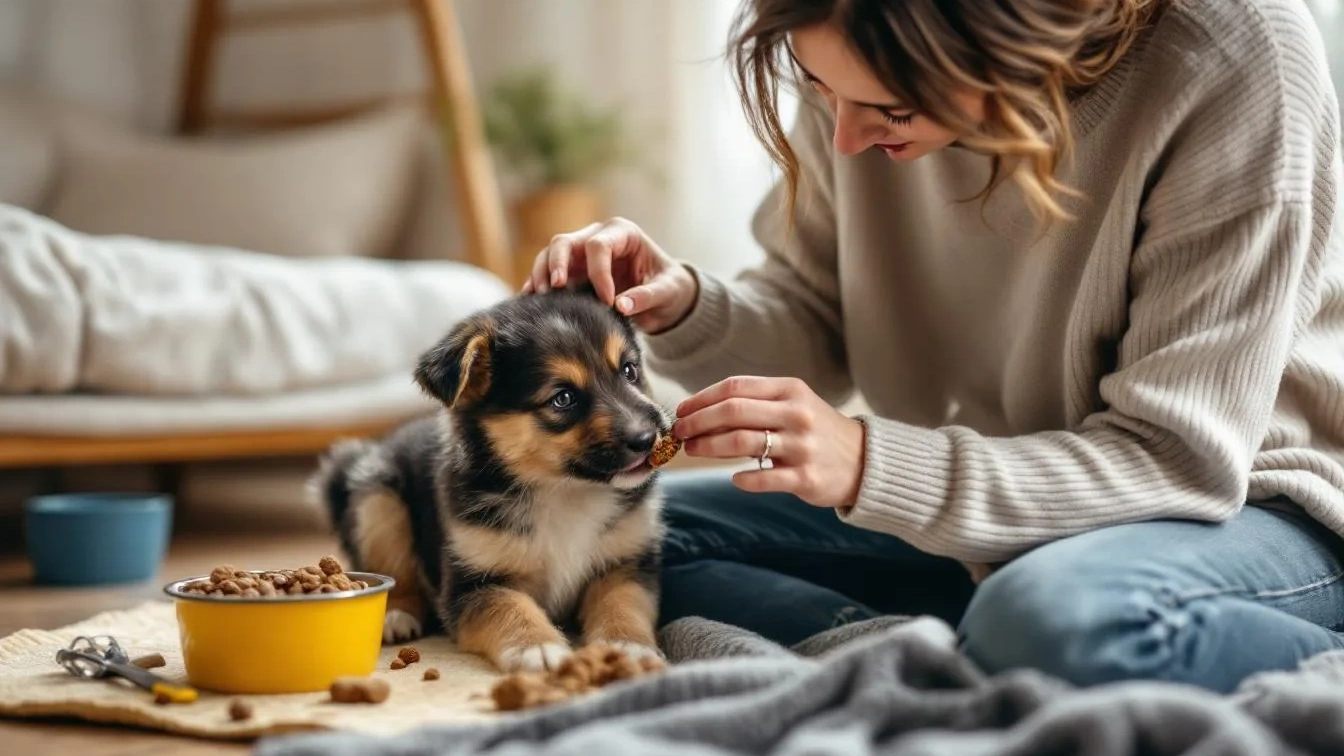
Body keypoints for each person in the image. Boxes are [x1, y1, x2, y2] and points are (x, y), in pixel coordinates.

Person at [522, 0, 1344, 694]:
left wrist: (869, 463)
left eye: (892, 111)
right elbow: (814, 312)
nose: (845, 139)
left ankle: (1008, 642)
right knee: (597, 544)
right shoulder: (853, 40)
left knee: (1059, 621)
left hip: (1244, 508)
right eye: (819, 89)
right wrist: (682, 306)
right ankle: (967, 657)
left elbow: (1176, 461)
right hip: (989, 512)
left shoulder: (1236, 54)